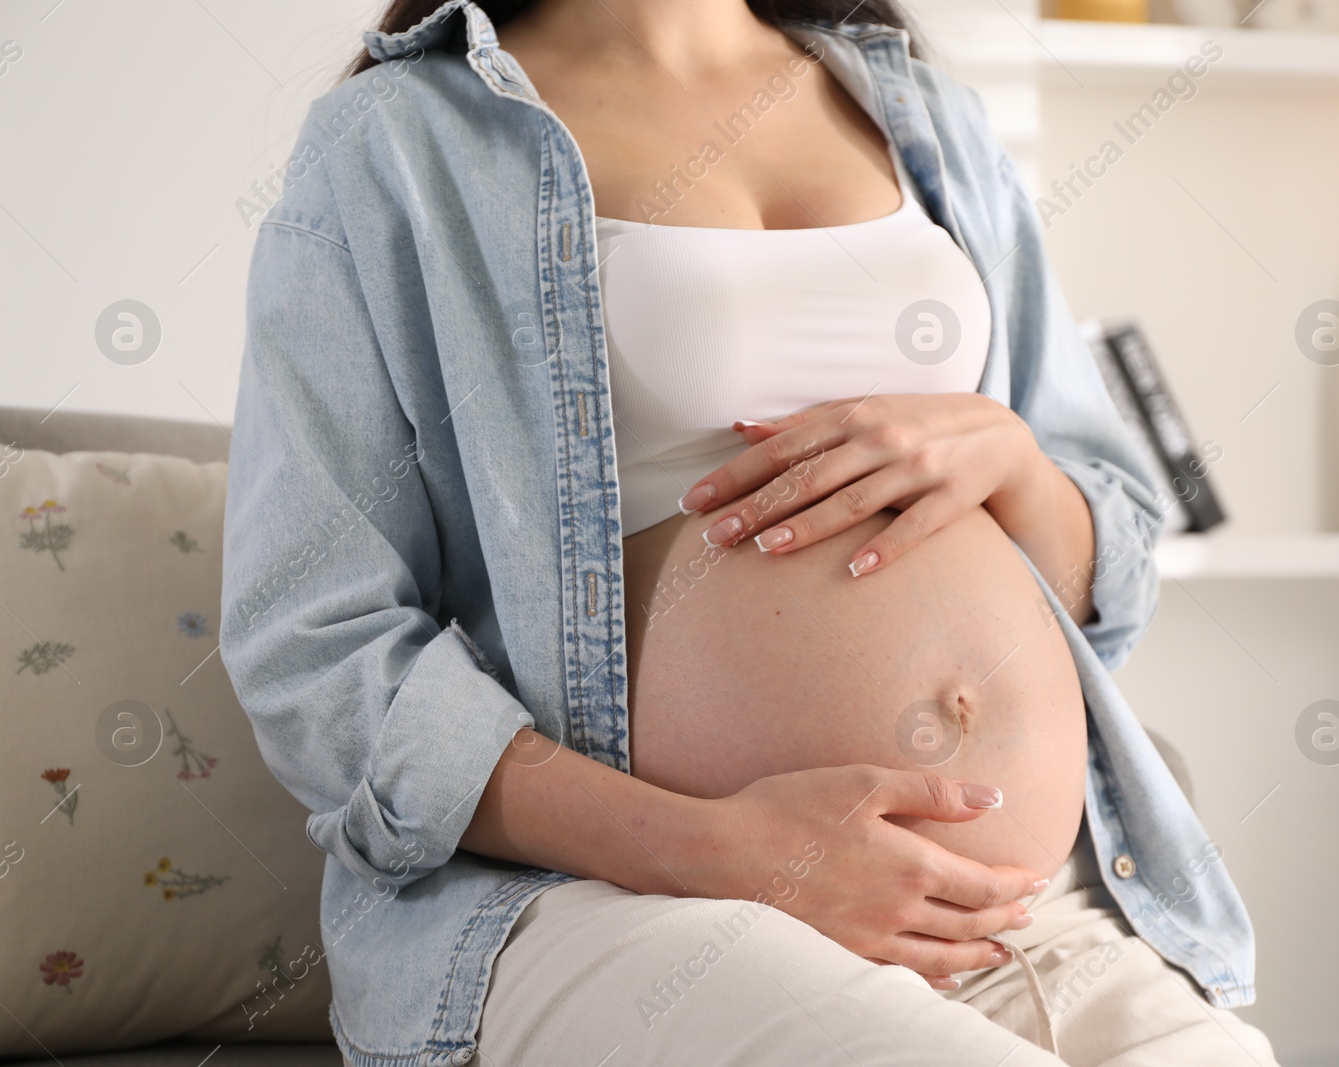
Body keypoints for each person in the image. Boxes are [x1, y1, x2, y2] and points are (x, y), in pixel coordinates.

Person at [218, 1, 1279, 1063]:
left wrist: (1011, 460)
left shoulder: (923, 111)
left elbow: (1114, 566)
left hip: (1003, 909)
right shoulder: (400, 139)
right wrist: (716, 849)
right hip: (620, 898)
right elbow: (312, 644)